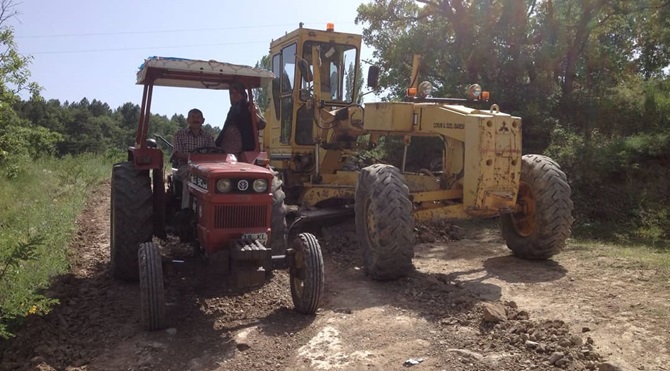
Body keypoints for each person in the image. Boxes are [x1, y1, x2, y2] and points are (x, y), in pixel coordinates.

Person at [172, 108, 215, 209]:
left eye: (198, 117)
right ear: (188, 120)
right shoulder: (180, 134)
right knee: (190, 178)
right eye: (193, 117)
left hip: (205, 168)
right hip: (185, 166)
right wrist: (198, 157)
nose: (196, 120)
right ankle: (186, 210)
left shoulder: (208, 137)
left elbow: (213, 153)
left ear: (203, 120)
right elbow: (177, 153)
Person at [215, 81, 266, 156]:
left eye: (237, 92)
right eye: (232, 93)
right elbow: (225, 129)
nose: (234, 95)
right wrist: (216, 144)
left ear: (243, 94)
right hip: (227, 150)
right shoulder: (232, 109)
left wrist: (253, 113)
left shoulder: (250, 106)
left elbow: (262, 124)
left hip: (245, 150)